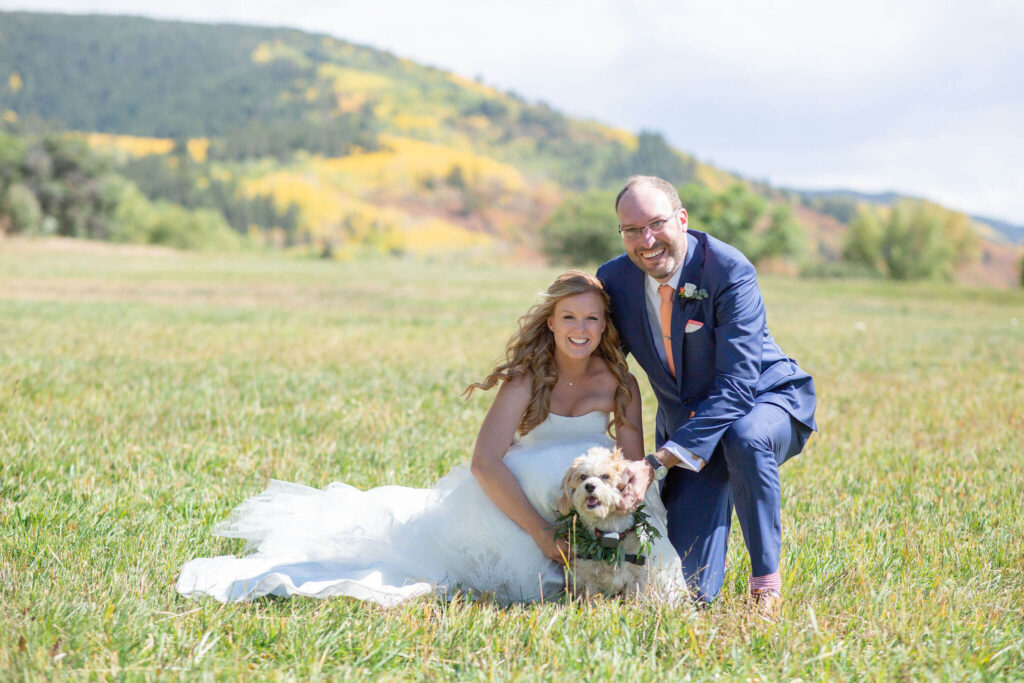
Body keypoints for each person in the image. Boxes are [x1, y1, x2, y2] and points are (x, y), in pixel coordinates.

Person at [176, 271, 683, 605]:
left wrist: (626, 515)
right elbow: (485, 462)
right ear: (550, 323)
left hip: (596, 504)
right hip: (523, 509)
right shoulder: (526, 379)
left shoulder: (620, 384)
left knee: (657, 581)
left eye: (592, 317)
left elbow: (630, 466)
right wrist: (541, 534)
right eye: (569, 316)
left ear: (604, 326)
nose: (580, 327)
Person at [597, 176, 817, 617]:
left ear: (681, 219)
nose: (647, 240)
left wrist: (656, 462)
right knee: (685, 589)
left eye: (657, 224)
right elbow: (603, 366)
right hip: (689, 428)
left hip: (764, 402)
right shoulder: (615, 279)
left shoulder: (728, 270)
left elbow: (736, 388)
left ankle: (765, 585)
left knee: (744, 436)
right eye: (632, 230)